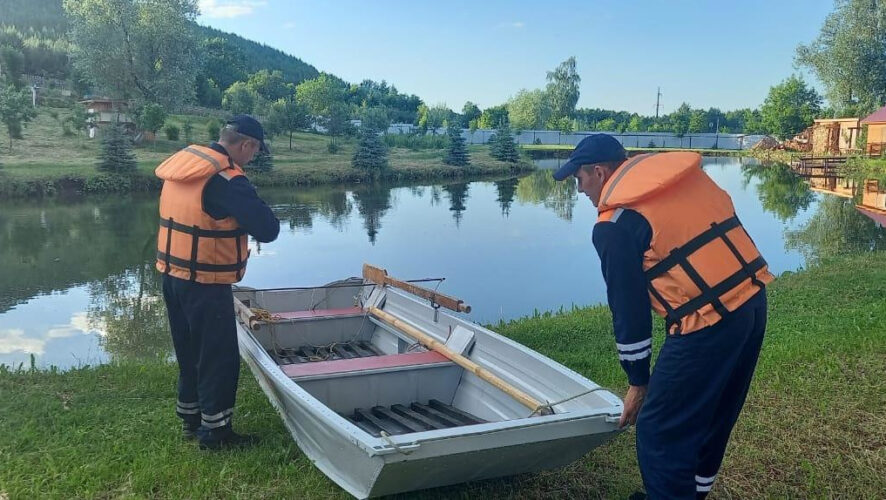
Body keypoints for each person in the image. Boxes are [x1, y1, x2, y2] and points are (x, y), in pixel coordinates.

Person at [552, 134, 773, 499]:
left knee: (659, 427)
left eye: (579, 179)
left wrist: (638, 382)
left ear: (598, 171)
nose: (579, 190)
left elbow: (629, 311)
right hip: (752, 301)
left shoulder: (614, 223)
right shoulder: (680, 181)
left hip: (707, 324)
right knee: (715, 416)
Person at [155, 115, 280, 450]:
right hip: (206, 281)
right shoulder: (227, 179)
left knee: (189, 349)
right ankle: (216, 433)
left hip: (173, 274)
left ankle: (191, 418)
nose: (253, 158)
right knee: (218, 355)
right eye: (255, 151)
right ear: (246, 145)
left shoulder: (187, 163)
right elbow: (268, 229)